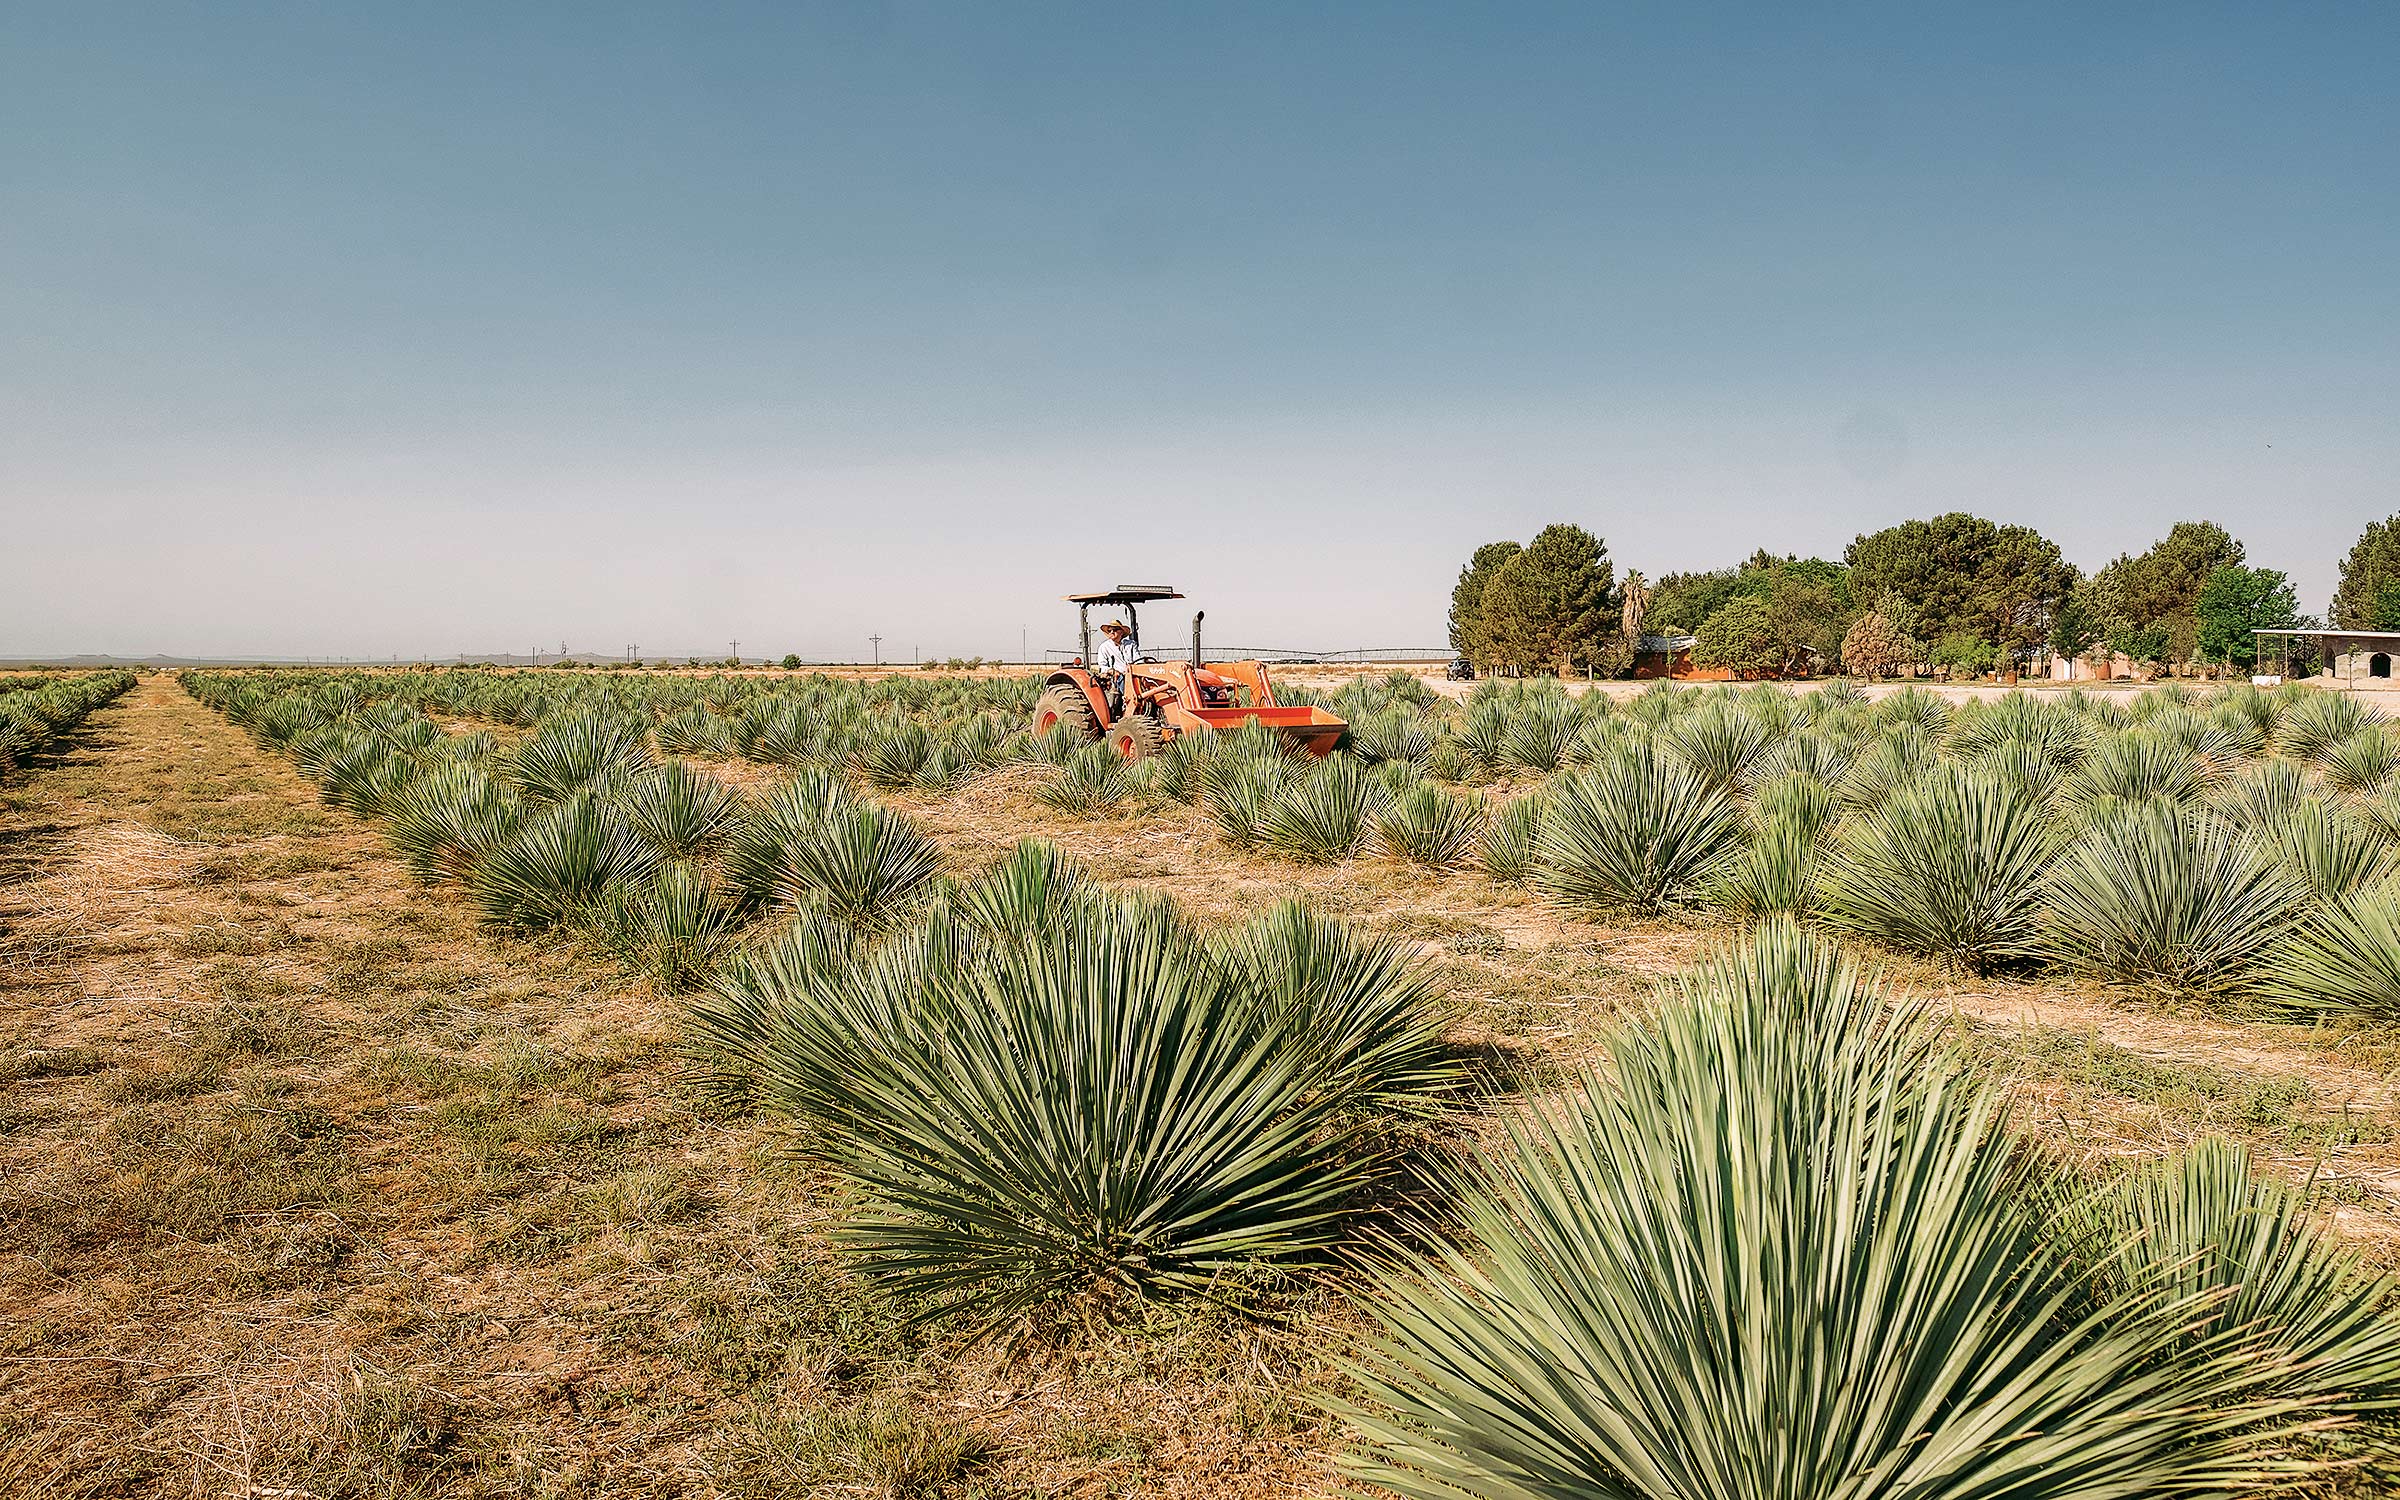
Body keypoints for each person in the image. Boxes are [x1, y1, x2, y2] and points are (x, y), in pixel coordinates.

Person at [1093, 619, 1135, 717]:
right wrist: (1112, 671)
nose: (1112, 632)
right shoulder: (1104, 647)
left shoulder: (1131, 645)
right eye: (1110, 630)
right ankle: (1127, 706)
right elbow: (1103, 666)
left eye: (1115, 630)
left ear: (1121, 632)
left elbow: (1138, 660)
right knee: (1122, 680)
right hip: (1117, 676)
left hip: (1133, 674)